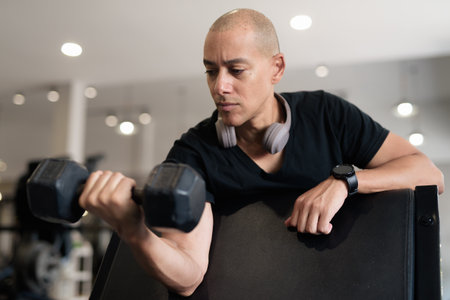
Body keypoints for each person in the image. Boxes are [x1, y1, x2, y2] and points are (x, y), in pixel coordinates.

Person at [78, 8, 444, 297]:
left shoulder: (327, 115)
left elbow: (429, 174)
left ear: (276, 68)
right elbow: (188, 275)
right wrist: (132, 229)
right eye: (210, 71)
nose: (220, 86)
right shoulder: (194, 153)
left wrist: (346, 181)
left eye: (236, 70)